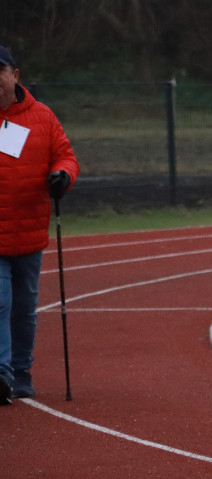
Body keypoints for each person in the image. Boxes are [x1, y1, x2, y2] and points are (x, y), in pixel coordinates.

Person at [0, 45, 79, 405]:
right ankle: (1, 374)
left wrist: (62, 175)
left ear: (15, 75)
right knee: (0, 302)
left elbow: (65, 155)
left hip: (30, 230)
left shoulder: (42, 117)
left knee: (24, 305)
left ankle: (21, 370)